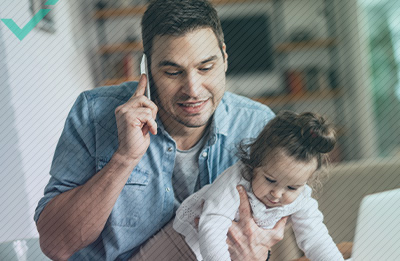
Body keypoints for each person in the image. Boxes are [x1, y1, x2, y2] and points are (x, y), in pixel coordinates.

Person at [34, 0, 287, 260]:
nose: (193, 89)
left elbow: (270, 229)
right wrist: (124, 158)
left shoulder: (257, 126)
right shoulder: (94, 114)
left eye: (206, 68)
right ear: (147, 69)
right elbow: (55, 244)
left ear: (224, 57)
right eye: (172, 72)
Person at [131, 111, 345, 261]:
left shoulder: (302, 199)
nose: (277, 194)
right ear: (254, 164)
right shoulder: (236, 180)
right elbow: (211, 228)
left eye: (292, 188)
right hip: (179, 243)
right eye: (270, 180)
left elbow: (316, 238)